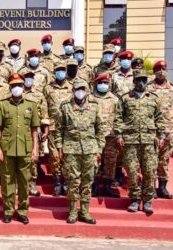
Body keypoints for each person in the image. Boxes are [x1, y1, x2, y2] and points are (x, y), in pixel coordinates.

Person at [54, 78, 105, 224]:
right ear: (72, 91)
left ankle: (84, 211)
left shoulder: (94, 107)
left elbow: (100, 130)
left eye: (82, 88)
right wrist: (59, 147)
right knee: (72, 181)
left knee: (87, 181)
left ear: (87, 90)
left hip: (90, 150)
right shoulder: (65, 107)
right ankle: (72, 211)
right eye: (77, 89)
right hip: (71, 149)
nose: (80, 92)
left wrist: (99, 148)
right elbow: (59, 129)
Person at [114, 70, 165, 214]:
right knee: (132, 172)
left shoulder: (153, 98)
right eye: (138, 79)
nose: (141, 82)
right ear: (134, 81)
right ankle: (135, 199)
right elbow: (118, 118)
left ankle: (148, 200)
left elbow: (159, 118)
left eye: (144, 79)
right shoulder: (125, 99)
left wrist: (161, 136)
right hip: (130, 142)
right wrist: (119, 136)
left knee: (149, 171)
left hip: (149, 141)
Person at [0, 73, 40, 224]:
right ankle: (7, 210)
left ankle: (22, 211)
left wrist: (35, 149)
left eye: (19, 86)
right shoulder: (2, 105)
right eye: (14, 86)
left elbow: (34, 129)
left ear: (23, 87)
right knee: (7, 180)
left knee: (24, 181)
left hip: (25, 149)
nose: (17, 88)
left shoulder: (31, 105)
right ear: (10, 87)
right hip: (7, 148)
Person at [147, 60, 173, 199]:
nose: (161, 71)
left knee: (164, 159)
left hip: (169, 129)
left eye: (164, 68)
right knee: (151, 159)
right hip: (153, 129)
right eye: (158, 69)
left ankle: (162, 187)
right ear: (154, 72)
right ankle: (151, 188)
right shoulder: (148, 89)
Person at [44, 61, 73, 196]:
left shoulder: (72, 87)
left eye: (62, 69)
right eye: (58, 70)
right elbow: (43, 107)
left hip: (69, 127)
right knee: (54, 155)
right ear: (54, 72)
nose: (60, 72)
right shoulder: (48, 88)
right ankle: (57, 182)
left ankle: (66, 182)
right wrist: (45, 125)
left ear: (66, 71)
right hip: (53, 126)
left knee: (67, 155)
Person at [91, 74, 120, 198]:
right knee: (94, 161)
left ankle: (108, 186)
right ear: (96, 84)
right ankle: (94, 185)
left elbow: (119, 117)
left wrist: (119, 134)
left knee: (110, 161)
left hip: (110, 135)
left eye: (105, 83)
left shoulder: (115, 99)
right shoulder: (90, 98)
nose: (103, 85)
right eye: (101, 82)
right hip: (94, 135)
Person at [22, 71, 49, 196]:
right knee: (20, 157)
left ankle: (32, 183)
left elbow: (44, 113)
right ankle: (20, 184)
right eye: (27, 77)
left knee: (33, 159)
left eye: (31, 77)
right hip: (20, 130)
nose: (29, 79)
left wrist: (46, 129)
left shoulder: (39, 95)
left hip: (35, 130)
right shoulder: (16, 93)